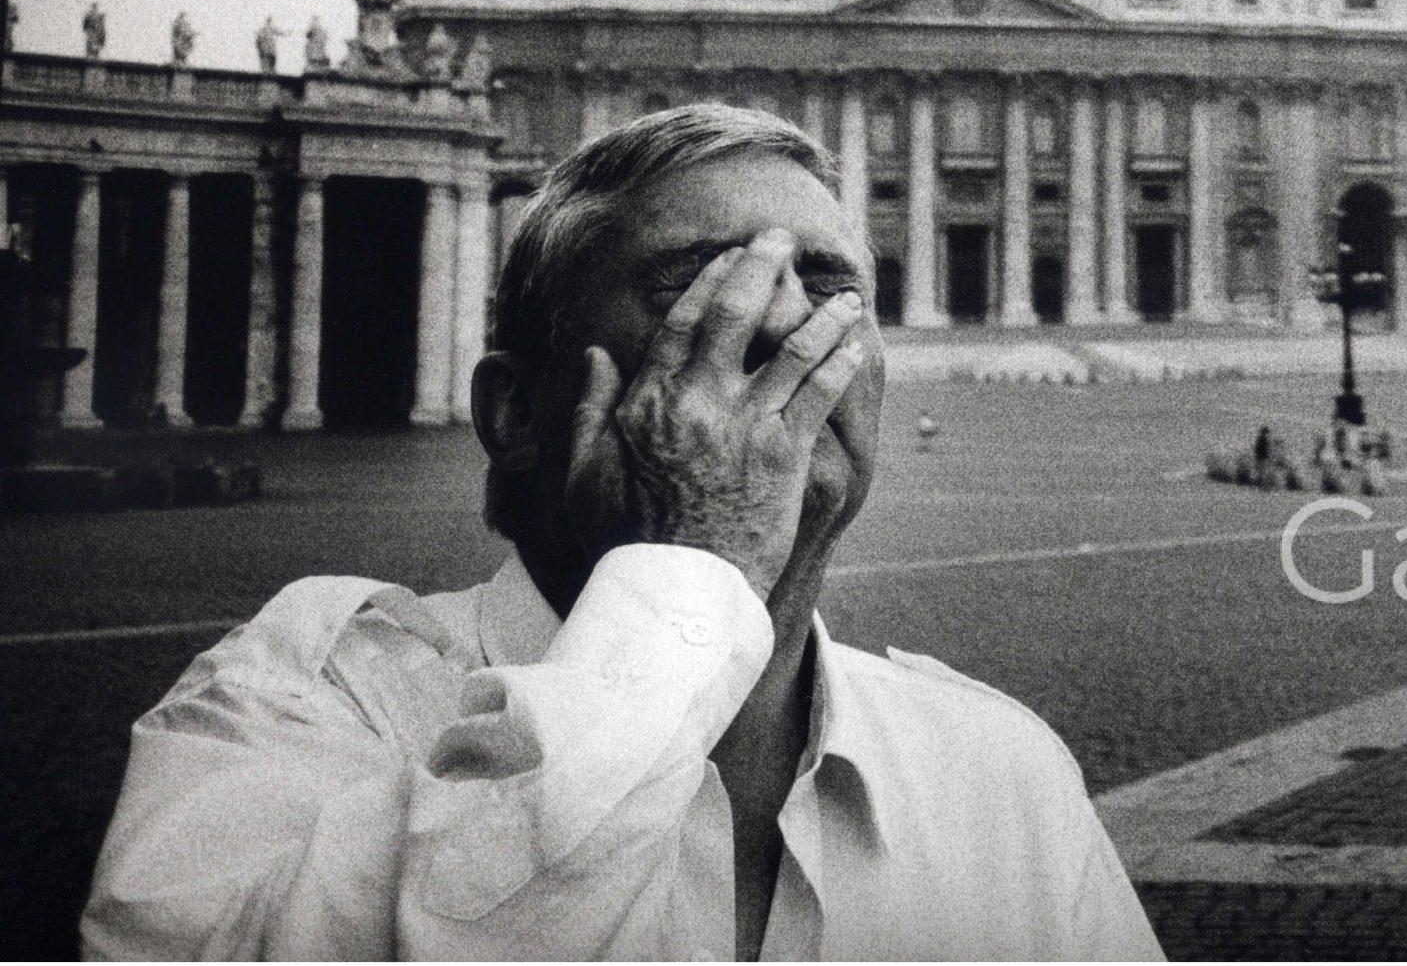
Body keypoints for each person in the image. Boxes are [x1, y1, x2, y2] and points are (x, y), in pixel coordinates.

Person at [82, 104, 1161, 961]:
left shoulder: (1002, 770)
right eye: (705, 281)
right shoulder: (292, 704)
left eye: (831, 286)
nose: (784, 320)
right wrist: (693, 567)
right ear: (515, 414)